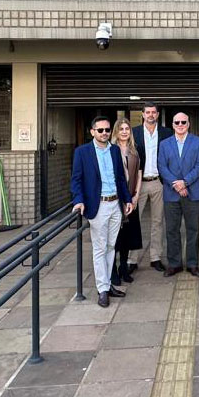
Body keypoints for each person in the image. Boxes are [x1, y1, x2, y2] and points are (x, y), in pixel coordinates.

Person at [70, 115, 134, 307]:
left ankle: (108, 285)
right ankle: (102, 290)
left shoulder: (114, 150)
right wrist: (79, 200)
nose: (105, 133)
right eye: (100, 130)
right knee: (100, 248)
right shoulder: (82, 152)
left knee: (111, 247)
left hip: (115, 205)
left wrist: (127, 200)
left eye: (107, 130)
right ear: (92, 132)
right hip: (97, 206)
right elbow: (76, 179)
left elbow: (121, 178)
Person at [158, 111, 199, 276]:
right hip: (171, 194)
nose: (180, 125)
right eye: (177, 122)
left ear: (188, 124)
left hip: (193, 193)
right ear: (172, 125)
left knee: (193, 229)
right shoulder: (164, 144)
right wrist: (176, 185)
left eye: (183, 122)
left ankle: (193, 264)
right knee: (171, 229)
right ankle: (174, 263)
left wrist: (184, 182)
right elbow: (162, 167)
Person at [133, 102, 173, 272]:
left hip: (158, 182)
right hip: (138, 183)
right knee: (134, 221)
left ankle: (155, 257)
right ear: (142, 114)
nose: (150, 115)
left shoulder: (166, 133)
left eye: (153, 112)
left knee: (157, 222)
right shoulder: (133, 133)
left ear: (157, 115)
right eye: (147, 112)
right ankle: (131, 259)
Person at [111, 117, 142, 285]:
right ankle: (113, 271)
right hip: (115, 200)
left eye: (127, 129)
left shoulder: (135, 150)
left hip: (131, 199)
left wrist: (135, 196)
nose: (124, 131)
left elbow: (138, 174)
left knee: (126, 237)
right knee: (115, 238)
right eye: (121, 129)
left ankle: (124, 268)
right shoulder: (111, 150)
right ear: (116, 131)